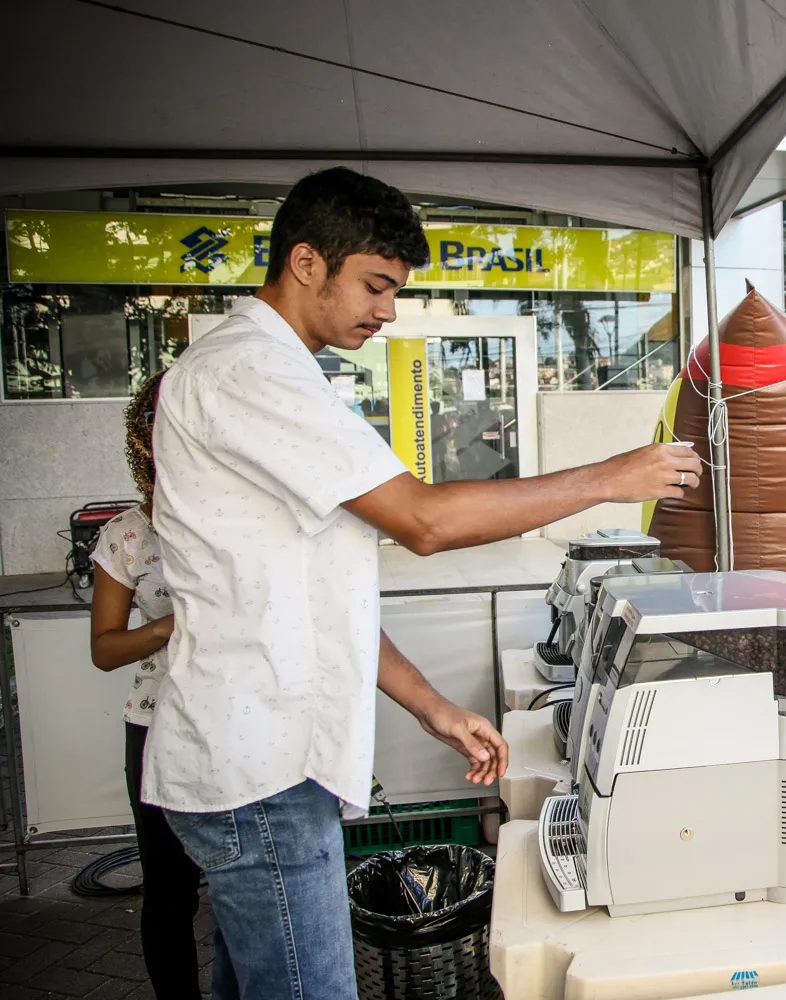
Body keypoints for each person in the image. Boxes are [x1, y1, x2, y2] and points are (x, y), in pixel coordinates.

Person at [144, 167, 700, 1000]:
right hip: (257, 770)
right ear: (305, 263)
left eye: (395, 290)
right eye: (374, 285)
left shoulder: (279, 373)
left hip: (265, 759)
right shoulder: (248, 373)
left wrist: (432, 706)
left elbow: (308, 595)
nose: (386, 311)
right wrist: (611, 477)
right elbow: (425, 520)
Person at [89, 371, 202, 999]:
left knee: (245, 889)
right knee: (168, 892)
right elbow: (105, 650)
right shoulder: (128, 533)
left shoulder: (236, 519)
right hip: (157, 727)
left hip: (237, 725)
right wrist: (167, 626)